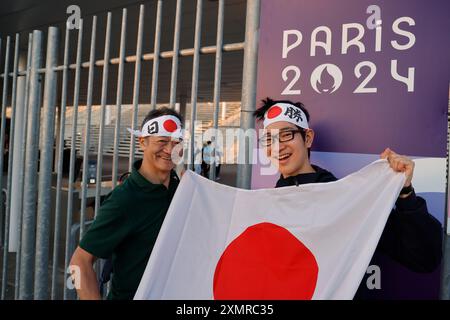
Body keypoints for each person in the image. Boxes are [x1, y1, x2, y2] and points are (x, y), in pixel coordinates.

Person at [253, 98, 442, 297]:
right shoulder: (266, 206)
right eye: (269, 139)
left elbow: (424, 258)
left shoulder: (348, 200)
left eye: (286, 135)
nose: (277, 147)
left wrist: (405, 193)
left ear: (307, 138)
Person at [70, 107, 184, 300]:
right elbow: (79, 262)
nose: (169, 150)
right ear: (142, 142)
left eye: (176, 142)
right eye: (162, 141)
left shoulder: (181, 188)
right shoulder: (124, 199)